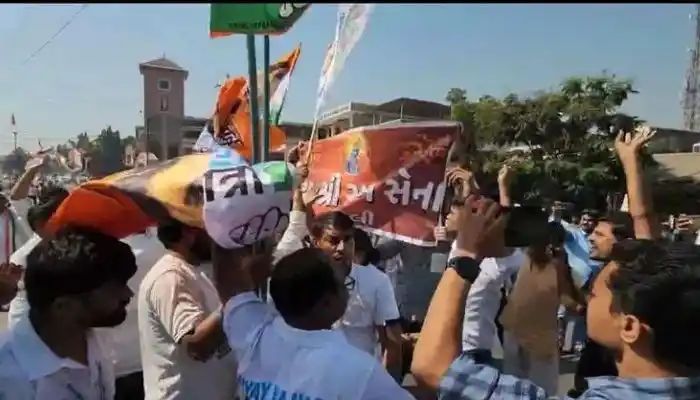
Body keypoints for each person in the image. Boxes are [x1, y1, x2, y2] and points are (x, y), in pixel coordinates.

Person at [216, 245, 414, 399]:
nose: (347, 290)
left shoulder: (252, 332)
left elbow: (228, 283)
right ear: (327, 302)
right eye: (344, 285)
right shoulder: (359, 371)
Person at [0, 227, 137, 399]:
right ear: (63, 306)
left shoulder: (94, 339)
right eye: (112, 290)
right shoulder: (9, 378)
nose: (127, 294)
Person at [138, 218, 238, 400]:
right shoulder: (170, 277)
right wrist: (237, 297)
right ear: (188, 233)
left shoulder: (193, 272)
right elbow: (197, 345)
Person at [499, 221, 584, 394]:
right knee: (542, 388)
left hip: (516, 328)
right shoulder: (553, 263)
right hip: (538, 336)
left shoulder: (527, 256)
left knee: (513, 382)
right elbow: (569, 300)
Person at [352, 227, 404, 381]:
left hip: (362, 373)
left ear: (362, 254)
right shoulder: (322, 278)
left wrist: (388, 380)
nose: (339, 250)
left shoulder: (377, 281)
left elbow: (391, 336)